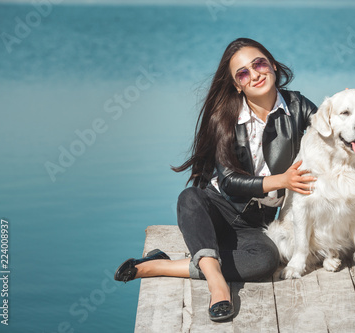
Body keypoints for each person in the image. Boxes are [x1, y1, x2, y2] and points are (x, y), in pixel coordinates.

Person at [114, 37, 317, 322]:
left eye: (259, 63)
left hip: (257, 223)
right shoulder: (225, 115)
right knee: (189, 197)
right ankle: (218, 287)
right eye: (243, 72)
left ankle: (161, 266)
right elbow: (231, 180)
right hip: (215, 208)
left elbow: (331, 130)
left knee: (265, 261)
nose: (255, 74)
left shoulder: (298, 106)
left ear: (271, 64)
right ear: (237, 84)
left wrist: (351, 110)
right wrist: (280, 181)